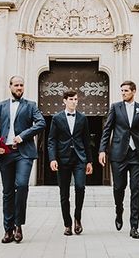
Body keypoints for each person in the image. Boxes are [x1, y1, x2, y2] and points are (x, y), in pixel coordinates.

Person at [0, 75, 45, 244]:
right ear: (10, 86)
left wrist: (23, 136)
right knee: (7, 192)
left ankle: (19, 225)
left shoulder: (31, 106)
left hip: (24, 153)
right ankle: (8, 229)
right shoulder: (0, 107)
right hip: (5, 154)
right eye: (16, 85)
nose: (19, 88)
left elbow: (41, 123)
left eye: (22, 85)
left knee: (21, 185)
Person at [98, 80, 139, 239]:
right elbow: (107, 130)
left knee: (136, 189)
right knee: (119, 187)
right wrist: (102, 150)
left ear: (134, 91)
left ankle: (134, 226)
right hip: (118, 154)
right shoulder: (115, 107)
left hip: (137, 155)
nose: (123, 93)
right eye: (122, 90)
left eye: (126, 91)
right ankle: (119, 210)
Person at [47, 89, 93, 236]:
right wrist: (53, 158)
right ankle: (67, 224)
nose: (74, 102)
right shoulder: (56, 118)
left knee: (80, 187)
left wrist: (89, 161)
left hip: (80, 159)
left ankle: (77, 218)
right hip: (62, 159)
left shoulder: (83, 118)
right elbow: (51, 140)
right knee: (64, 193)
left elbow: (87, 141)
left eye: (76, 99)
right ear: (65, 101)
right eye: (71, 99)